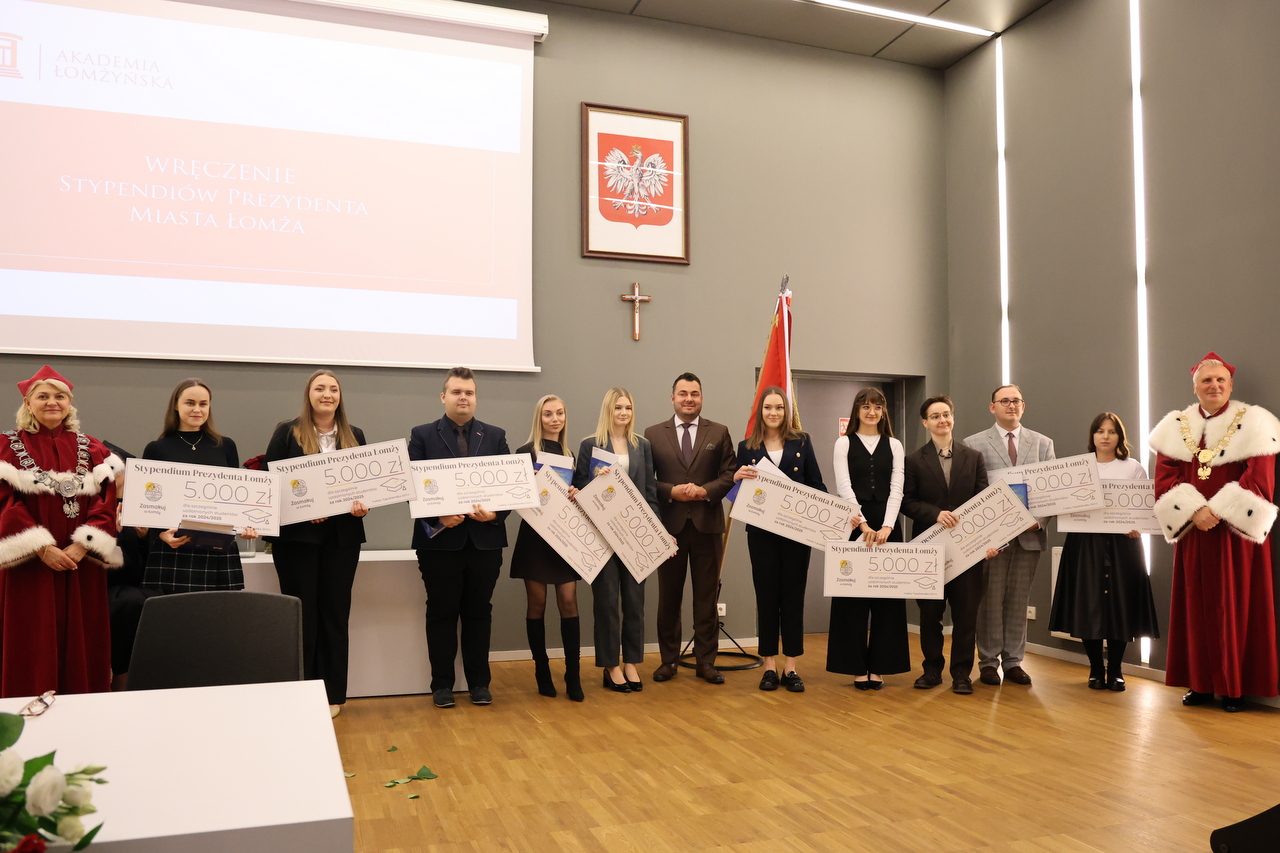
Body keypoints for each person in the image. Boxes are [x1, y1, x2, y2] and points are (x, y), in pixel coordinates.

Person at [1149, 352, 1279, 712]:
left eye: (1221, 380)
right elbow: (1164, 478)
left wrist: (1219, 510)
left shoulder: (1255, 422)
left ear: (1231, 385)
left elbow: (1260, 477)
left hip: (1238, 535)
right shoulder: (1176, 426)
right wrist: (1195, 511)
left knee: (1236, 607)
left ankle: (1234, 688)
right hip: (1195, 532)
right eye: (1206, 380)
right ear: (1195, 387)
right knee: (1196, 609)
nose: (1214, 385)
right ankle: (1201, 684)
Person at [0, 365, 123, 697]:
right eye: (43, 396)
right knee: (31, 638)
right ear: (28, 403)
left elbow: (105, 501)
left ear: (70, 403)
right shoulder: (5, 447)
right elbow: (4, 501)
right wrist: (40, 547)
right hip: (28, 566)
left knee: (82, 639)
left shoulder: (94, 449)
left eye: (60, 396)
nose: (52, 402)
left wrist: (84, 544)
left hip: (80, 565)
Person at [265, 369, 369, 718]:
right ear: (308, 395)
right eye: (320, 388)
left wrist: (364, 505)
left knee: (335, 615)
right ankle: (302, 692)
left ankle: (332, 694)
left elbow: (364, 487)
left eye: (333, 389)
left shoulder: (355, 435)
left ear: (340, 396)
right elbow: (271, 484)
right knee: (301, 616)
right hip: (297, 541)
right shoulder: (287, 432)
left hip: (342, 540)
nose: (327, 394)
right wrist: (303, 510)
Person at [409, 367, 510, 709]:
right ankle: (442, 685)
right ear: (444, 397)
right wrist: (439, 516)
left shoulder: (495, 436)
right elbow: (411, 487)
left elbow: (511, 487)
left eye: (469, 392)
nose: (463, 397)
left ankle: (479, 683)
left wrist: (494, 515)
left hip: (484, 541)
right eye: (456, 392)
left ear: (475, 398)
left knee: (479, 613)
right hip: (440, 543)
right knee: (441, 612)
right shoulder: (423, 435)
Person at [1049, 413, 1159, 692]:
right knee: (1088, 605)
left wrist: (1137, 526)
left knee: (1121, 605)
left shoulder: (1133, 467)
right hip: (1085, 545)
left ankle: (1116, 669)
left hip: (1124, 547)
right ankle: (1096, 668)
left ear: (1120, 437)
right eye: (1100, 431)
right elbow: (1064, 505)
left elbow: (1143, 508)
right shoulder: (1078, 468)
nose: (1106, 436)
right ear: (1093, 436)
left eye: (1112, 431)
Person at [733, 387, 828, 693]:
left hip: (796, 535)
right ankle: (769, 667)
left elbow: (817, 485)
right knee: (766, 597)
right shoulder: (746, 447)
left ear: (786, 412)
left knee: (792, 597)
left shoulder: (802, 441)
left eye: (779, 408)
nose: (773, 413)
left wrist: (833, 514)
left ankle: (791, 667)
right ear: (760, 412)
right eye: (768, 408)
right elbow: (736, 493)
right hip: (761, 535)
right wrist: (736, 479)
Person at [644, 372, 737, 684]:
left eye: (694, 394)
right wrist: (671, 491)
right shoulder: (652, 434)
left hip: (707, 527)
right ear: (672, 398)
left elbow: (730, 474)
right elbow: (647, 480)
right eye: (683, 393)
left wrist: (704, 491)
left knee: (706, 600)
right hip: (668, 529)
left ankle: (705, 662)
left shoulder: (719, 432)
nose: (689, 399)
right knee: (668, 599)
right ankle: (668, 661)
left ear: (701, 398)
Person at [964, 384, 1054, 686]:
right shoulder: (974, 443)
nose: (1011, 405)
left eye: (1016, 401)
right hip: (992, 540)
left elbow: (1053, 493)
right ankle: (988, 662)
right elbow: (970, 494)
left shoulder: (1042, 444)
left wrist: (1037, 523)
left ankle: (1014, 662)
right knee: (989, 600)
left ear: (1023, 406)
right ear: (993, 407)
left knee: (1018, 600)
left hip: (1029, 536)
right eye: (1004, 401)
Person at [902, 395, 992, 695]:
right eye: (935, 416)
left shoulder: (974, 457)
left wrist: (988, 542)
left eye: (946, 414)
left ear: (952, 418)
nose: (942, 420)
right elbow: (907, 502)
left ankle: (962, 674)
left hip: (968, 550)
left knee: (966, 616)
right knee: (930, 615)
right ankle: (931, 671)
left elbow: (984, 501)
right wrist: (935, 514)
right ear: (925, 423)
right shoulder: (913, 460)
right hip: (929, 548)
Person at [573, 387, 659, 694]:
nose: (623, 413)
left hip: (634, 537)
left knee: (635, 603)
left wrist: (655, 533)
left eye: (628, 408)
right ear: (608, 411)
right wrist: (595, 480)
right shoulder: (590, 445)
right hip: (602, 536)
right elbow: (578, 487)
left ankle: (631, 663)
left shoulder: (642, 446)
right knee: (607, 603)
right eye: (618, 407)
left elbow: (650, 492)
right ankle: (610, 667)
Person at [826, 387, 910, 689]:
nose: (871, 412)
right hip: (853, 525)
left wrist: (887, 526)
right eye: (865, 406)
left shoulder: (895, 444)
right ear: (857, 411)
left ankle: (880, 667)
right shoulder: (844, 443)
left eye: (877, 407)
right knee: (852, 598)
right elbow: (843, 486)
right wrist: (862, 525)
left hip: (888, 527)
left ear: (883, 411)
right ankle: (856, 667)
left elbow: (897, 487)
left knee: (888, 598)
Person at [142, 379, 258, 593]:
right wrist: (161, 535)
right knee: (174, 613)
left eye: (203, 404)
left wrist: (245, 526)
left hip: (218, 549)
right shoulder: (157, 449)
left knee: (220, 612)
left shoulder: (225, 446)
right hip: (175, 548)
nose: (197, 409)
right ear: (176, 405)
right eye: (190, 403)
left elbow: (234, 499)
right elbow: (149, 502)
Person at [511, 395, 583, 702]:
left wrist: (576, 492)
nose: (555, 419)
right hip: (535, 538)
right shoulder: (524, 453)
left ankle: (573, 674)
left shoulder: (570, 455)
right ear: (539, 418)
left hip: (563, 537)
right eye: (548, 414)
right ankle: (541, 670)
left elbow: (576, 498)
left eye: (560, 413)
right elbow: (515, 496)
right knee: (537, 604)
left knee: (568, 601)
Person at [101, 442, 160, 691]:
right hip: (106, 583)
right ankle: (121, 674)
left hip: (137, 580)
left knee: (157, 601)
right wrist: (111, 533)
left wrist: (144, 537)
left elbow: (148, 557)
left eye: (119, 468)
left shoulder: (140, 505)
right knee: (126, 603)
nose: (115, 474)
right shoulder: (95, 505)